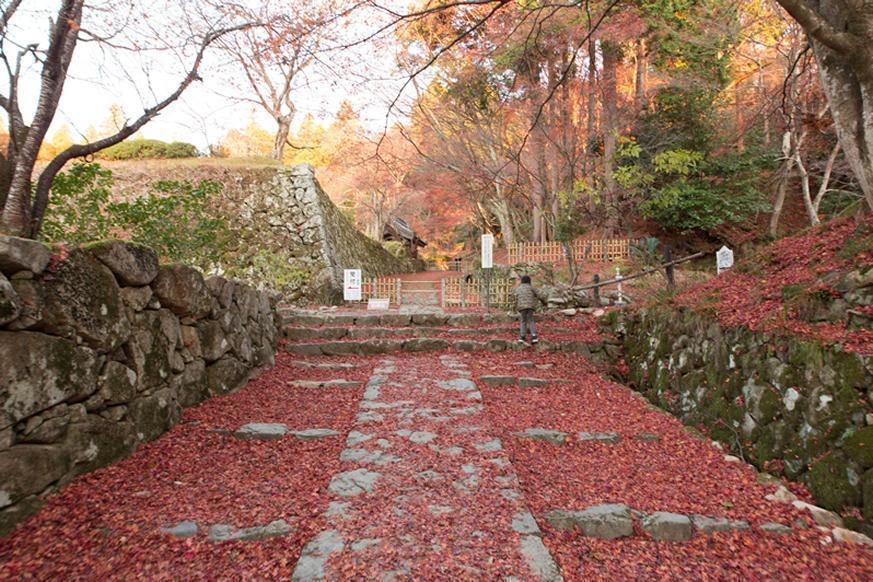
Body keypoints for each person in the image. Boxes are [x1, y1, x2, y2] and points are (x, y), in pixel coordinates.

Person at [512, 274, 548, 345]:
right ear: (529, 281)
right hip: (530, 307)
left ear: (522, 281)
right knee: (531, 320)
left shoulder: (518, 289)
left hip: (522, 307)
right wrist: (544, 302)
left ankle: (522, 337)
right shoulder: (531, 288)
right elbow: (540, 295)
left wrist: (515, 307)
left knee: (523, 321)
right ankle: (534, 336)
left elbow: (515, 298)